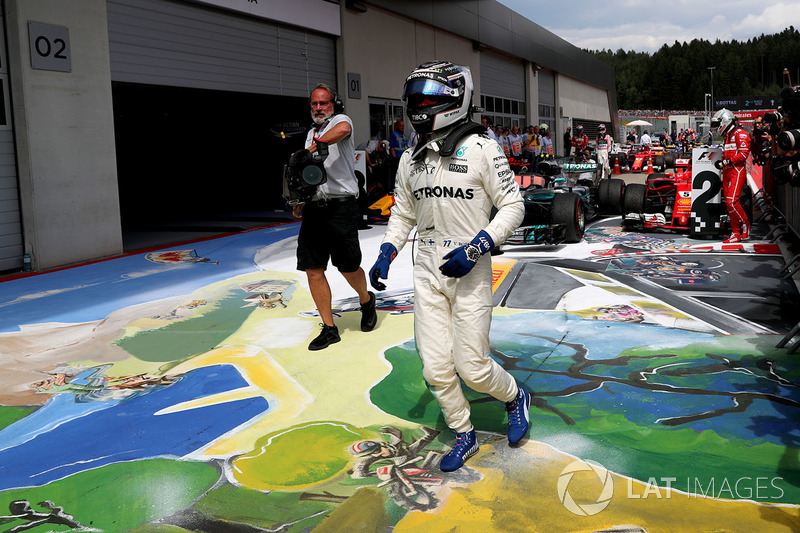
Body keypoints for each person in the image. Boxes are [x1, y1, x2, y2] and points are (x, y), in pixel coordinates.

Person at [368, 60, 531, 472]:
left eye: (428, 97)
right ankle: (464, 433)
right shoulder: (411, 157)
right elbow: (403, 214)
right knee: (436, 368)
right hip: (425, 268)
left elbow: (514, 206)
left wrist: (477, 248)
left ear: (456, 98)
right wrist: (387, 251)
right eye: (414, 99)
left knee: (472, 368)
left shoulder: (483, 148)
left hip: (469, 269)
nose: (419, 105)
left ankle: (514, 397)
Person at [293, 83, 378, 350]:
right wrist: (299, 199)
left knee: (348, 266)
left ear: (334, 104)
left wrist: (314, 146)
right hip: (315, 208)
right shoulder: (310, 134)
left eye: (324, 103)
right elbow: (309, 171)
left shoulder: (340, 121)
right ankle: (329, 328)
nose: (319, 108)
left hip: (341, 206)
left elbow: (343, 131)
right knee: (313, 268)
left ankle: (366, 300)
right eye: (315, 104)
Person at [711, 108, 751, 243]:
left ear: (725, 121)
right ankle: (735, 233)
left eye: (717, 124)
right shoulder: (728, 136)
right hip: (728, 171)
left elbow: (744, 154)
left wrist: (726, 162)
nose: (716, 128)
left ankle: (745, 224)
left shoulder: (740, 134)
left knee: (731, 202)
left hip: (737, 170)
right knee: (729, 205)